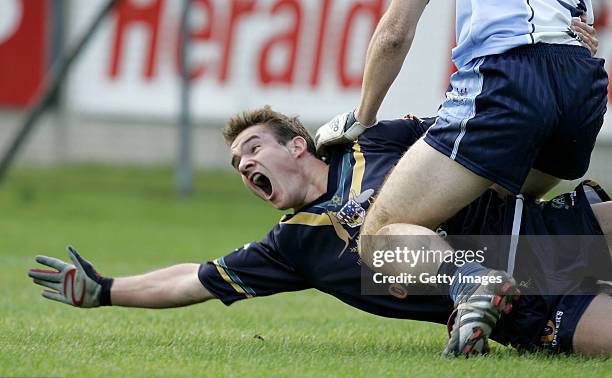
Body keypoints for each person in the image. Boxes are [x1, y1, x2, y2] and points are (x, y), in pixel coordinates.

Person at [29, 107, 612, 356]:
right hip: (535, 307)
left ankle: (474, 281)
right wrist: (106, 290)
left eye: (252, 147)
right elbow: (192, 280)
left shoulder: (379, 142)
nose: (244, 164)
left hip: (548, 228)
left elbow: (480, 139)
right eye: (236, 164)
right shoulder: (292, 246)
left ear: (297, 144)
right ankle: (475, 290)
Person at [315, 1, 608, 356]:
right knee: (501, 202)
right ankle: (566, 263)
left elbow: (393, 34)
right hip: (582, 83)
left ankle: (474, 284)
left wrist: (362, 117)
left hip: (508, 76)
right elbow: (582, 27)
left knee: (378, 236)